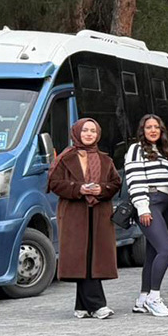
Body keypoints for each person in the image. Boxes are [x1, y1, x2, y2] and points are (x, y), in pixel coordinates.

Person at [48, 117, 121, 319]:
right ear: (77, 132)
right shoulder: (65, 158)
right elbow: (54, 183)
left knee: (93, 257)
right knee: (81, 256)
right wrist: (78, 188)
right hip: (74, 213)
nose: (89, 134)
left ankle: (82, 305)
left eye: (93, 131)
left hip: (99, 213)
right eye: (85, 130)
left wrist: (102, 189)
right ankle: (98, 305)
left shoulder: (106, 160)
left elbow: (116, 183)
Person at [124, 114, 168, 317]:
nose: (153, 130)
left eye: (157, 127)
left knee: (153, 254)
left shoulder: (161, 151)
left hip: (164, 205)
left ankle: (142, 298)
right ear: (142, 130)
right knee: (166, 249)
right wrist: (143, 207)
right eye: (148, 127)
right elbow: (135, 179)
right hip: (150, 203)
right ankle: (155, 297)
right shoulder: (136, 149)